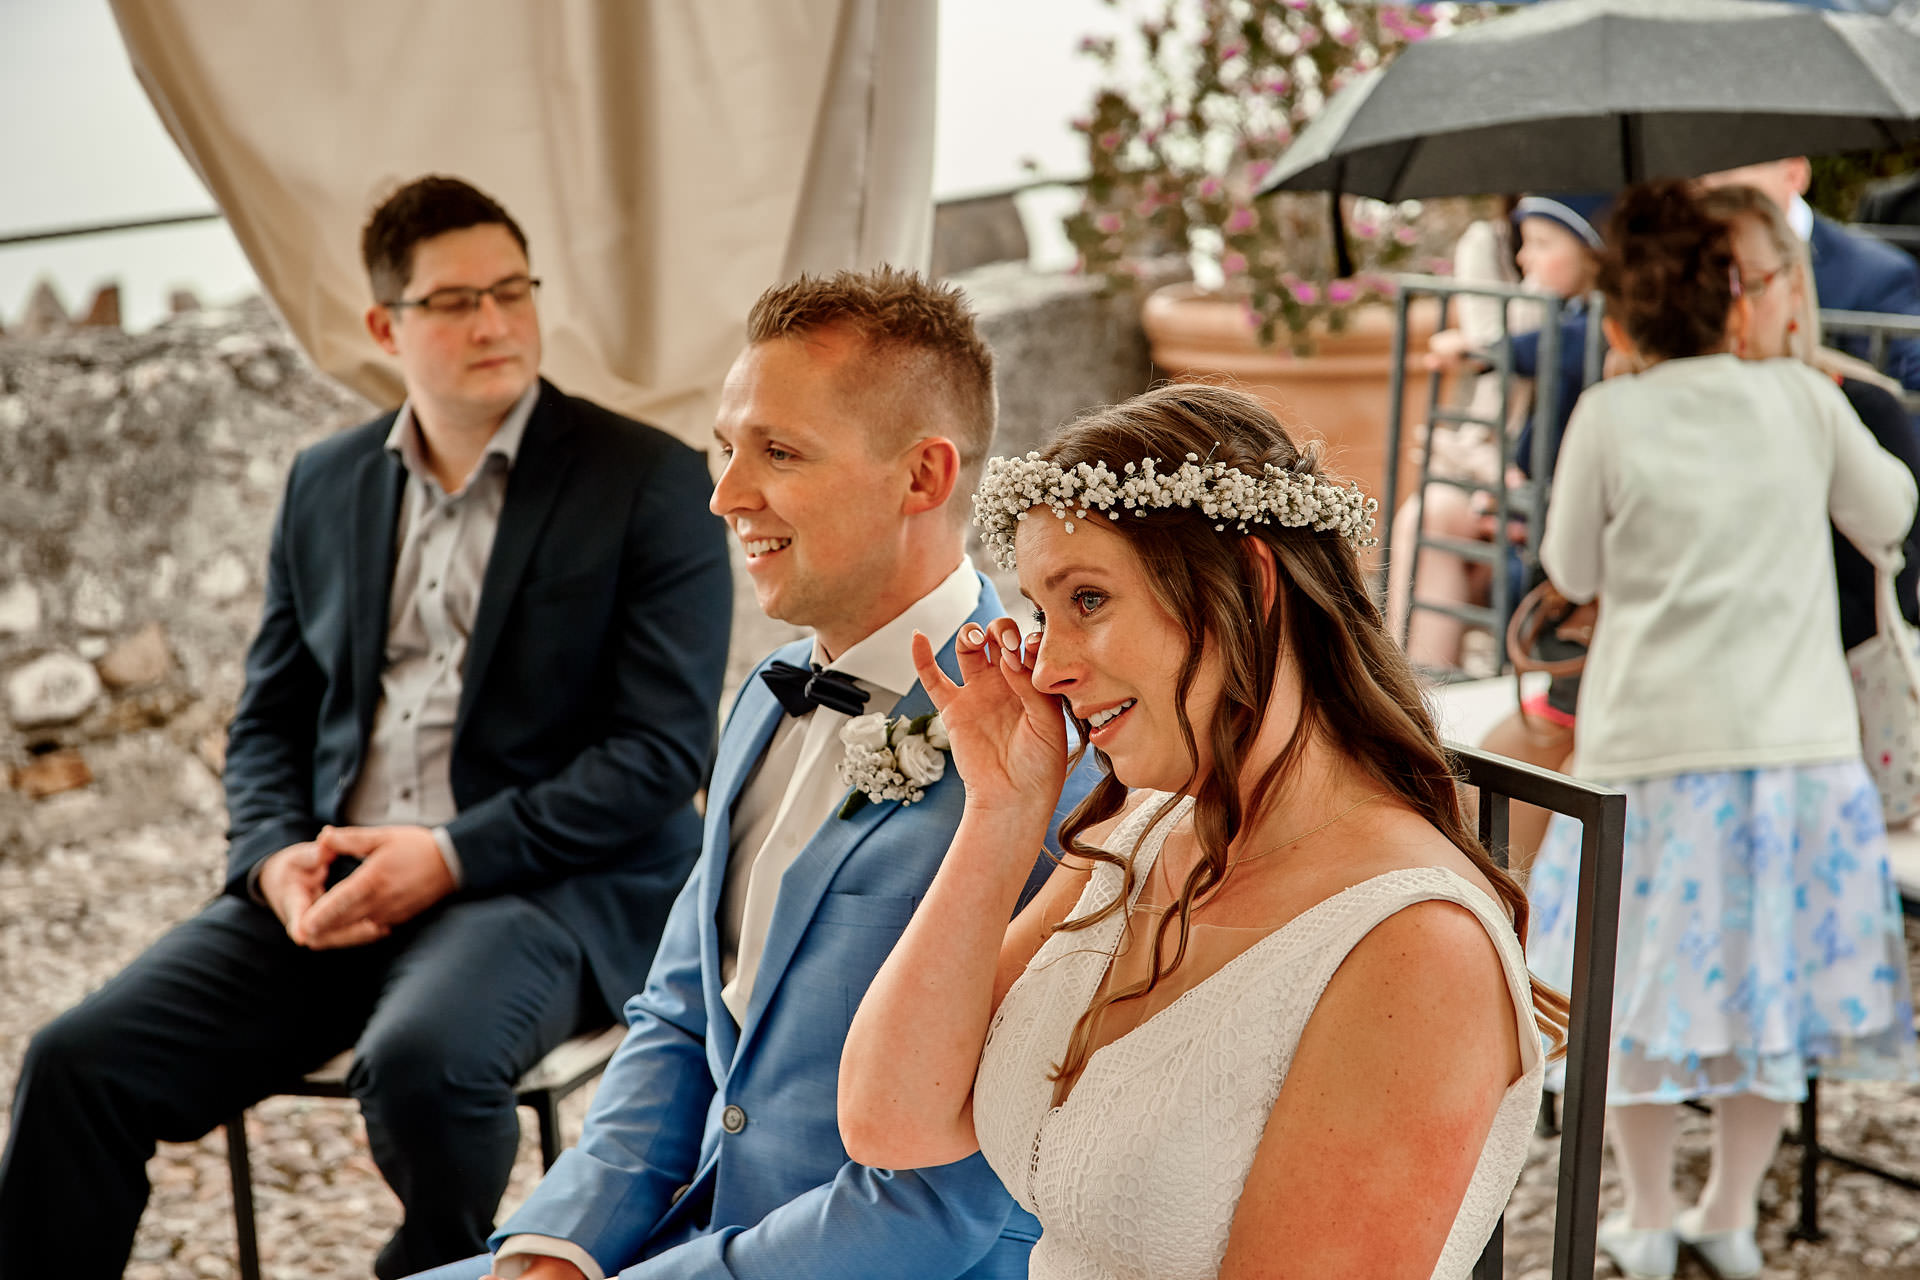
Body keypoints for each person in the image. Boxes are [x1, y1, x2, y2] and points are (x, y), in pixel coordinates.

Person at [0, 176, 734, 1276]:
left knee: (426, 1064)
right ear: (386, 326)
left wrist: (445, 855)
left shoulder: (650, 482)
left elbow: (660, 755)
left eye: (511, 290)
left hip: (539, 882)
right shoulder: (324, 482)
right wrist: (268, 862)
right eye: (453, 301)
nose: (493, 322)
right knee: (73, 1062)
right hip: (332, 882)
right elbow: (270, 717)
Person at [417, 267, 1097, 1280]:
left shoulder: (1051, 756)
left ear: (924, 476)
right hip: (677, 1235)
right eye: (725, 447)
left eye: (778, 452)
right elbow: (680, 1008)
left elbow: (944, 1202)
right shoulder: (766, 693)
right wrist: (556, 1245)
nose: (725, 494)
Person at [838, 383, 1568, 1279]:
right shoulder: (1145, 836)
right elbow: (892, 1120)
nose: (1052, 665)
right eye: (1040, 612)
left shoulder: (1417, 948)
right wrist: (1001, 811)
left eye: (1090, 600)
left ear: (1252, 587)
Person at [1522, 182, 1920, 1280]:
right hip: (1796, 752)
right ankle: (1731, 1214)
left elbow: (1570, 572)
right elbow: (1888, 513)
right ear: (1736, 301)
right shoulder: (1799, 395)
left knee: (1635, 998)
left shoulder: (1609, 411)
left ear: (1618, 320)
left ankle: (1647, 1218)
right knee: (1769, 995)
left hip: (1649, 753)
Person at [1698, 181, 1920, 652]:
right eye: (1709, 286)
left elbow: (1891, 573)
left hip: (1816, 688)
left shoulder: (1856, 404)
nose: (1732, 310)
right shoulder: (1653, 405)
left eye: (1749, 284)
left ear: (1794, 285)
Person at [1392, 194, 1606, 670]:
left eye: (1542, 244)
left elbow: (1556, 347)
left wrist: (1482, 349)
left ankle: (1434, 687)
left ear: (1594, 253)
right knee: (1426, 521)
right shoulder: (1570, 312)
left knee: (1451, 540)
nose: (1525, 257)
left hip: (1550, 516)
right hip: (1526, 499)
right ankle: (1418, 687)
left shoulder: (1594, 325)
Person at [1702, 156, 1920, 397]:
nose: (1710, 183)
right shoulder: (1678, 264)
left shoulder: (1879, 274)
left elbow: (1911, 400)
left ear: (1795, 174)